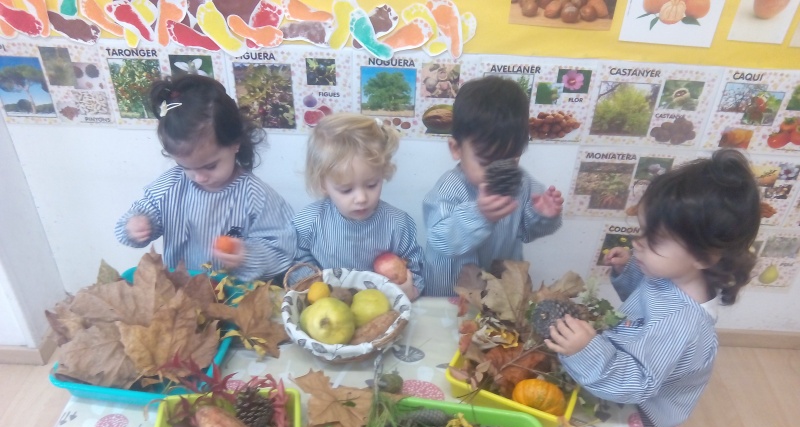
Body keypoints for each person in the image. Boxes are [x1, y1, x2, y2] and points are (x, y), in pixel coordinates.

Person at [545, 149, 761, 427]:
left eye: (654, 240)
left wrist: (586, 350)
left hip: (634, 412)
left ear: (705, 256)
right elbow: (646, 306)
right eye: (641, 230)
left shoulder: (681, 323)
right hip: (613, 377)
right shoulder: (674, 276)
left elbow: (635, 383)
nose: (638, 243)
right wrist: (630, 270)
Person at [115, 74, 296, 282]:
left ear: (235, 144)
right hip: (180, 290)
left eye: (210, 166)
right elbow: (139, 216)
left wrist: (246, 255)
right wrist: (136, 226)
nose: (199, 177)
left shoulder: (256, 196)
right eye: (186, 167)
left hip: (232, 293)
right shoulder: (170, 186)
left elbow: (283, 250)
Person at [422, 75, 564, 296]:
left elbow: (528, 232)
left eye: (510, 161)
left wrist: (543, 216)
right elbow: (441, 242)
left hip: (501, 292)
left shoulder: (521, 183)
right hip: (450, 293)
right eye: (487, 162)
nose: (499, 172)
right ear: (456, 149)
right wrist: (479, 215)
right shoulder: (448, 189)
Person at [292, 113, 424, 300]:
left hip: (384, 307)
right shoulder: (309, 222)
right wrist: (314, 284)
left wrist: (409, 289)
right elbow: (298, 261)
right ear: (323, 184)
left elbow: (415, 267)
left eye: (371, 185)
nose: (361, 198)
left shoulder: (397, 224)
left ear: (383, 173)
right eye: (346, 190)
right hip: (327, 306)